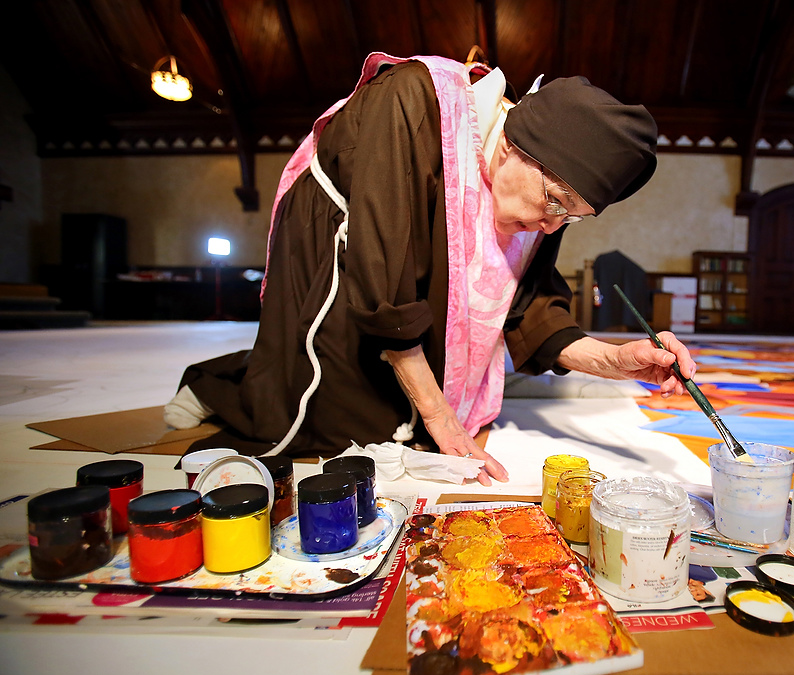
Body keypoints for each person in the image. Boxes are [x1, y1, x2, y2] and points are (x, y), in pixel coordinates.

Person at [164, 52, 698, 486]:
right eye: (555, 201)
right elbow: (382, 281)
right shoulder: (414, 100)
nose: (553, 225)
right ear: (513, 145)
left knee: (406, 424)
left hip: (403, 284)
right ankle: (220, 383)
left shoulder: (542, 195)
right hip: (345, 259)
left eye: (572, 217)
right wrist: (441, 419)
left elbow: (527, 309)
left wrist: (615, 359)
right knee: (335, 429)